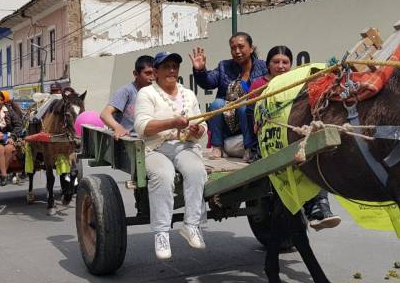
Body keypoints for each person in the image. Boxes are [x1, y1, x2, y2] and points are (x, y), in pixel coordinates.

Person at [252, 45, 341, 230]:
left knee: (314, 157)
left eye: (285, 62)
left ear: (291, 65)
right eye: (276, 62)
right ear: (268, 65)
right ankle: (314, 209)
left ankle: (320, 206)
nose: (281, 66)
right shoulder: (259, 86)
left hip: (293, 136)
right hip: (268, 141)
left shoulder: (298, 85)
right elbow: (250, 115)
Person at [134, 52, 209, 260]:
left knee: (197, 171)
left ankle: (191, 225)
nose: (172, 70)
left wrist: (198, 130)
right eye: (166, 66)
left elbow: (203, 123)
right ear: (156, 72)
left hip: (184, 146)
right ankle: (161, 233)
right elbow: (142, 127)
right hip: (155, 148)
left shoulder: (188, 94)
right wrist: (172, 123)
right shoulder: (147, 93)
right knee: (163, 176)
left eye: (175, 66)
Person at [190, 32, 268, 160]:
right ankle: (217, 147)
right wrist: (200, 70)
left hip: (252, 121)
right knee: (217, 104)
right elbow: (208, 83)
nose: (237, 51)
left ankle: (249, 149)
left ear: (251, 48)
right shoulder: (224, 67)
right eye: (233, 48)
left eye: (241, 47)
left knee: (244, 106)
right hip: (229, 123)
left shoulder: (263, 67)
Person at [100, 55, 155, 139]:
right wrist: (118, 127)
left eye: (154, 73)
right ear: (135, 74)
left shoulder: (154, 93)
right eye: (148, 73)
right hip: (127, 140)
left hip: (147, 140)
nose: (152, 78)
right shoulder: (126, 91)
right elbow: (105, 114)